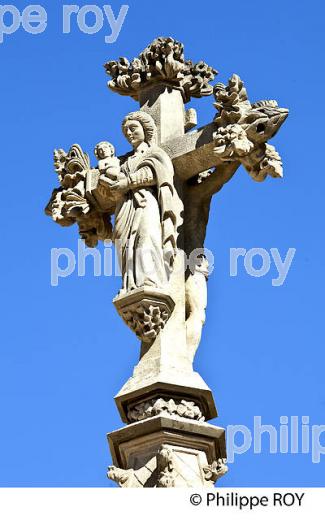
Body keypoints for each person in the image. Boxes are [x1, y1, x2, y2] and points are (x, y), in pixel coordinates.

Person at [106, 111, 182, 293]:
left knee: (147, 237)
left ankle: (149, 280)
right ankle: (131, 284)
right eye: (126, 132)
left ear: (146, 129)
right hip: (125, 208)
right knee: (125, 245)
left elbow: (156, 172)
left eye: (133, 128)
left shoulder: (154, 153)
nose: (129, 134)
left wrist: (127, 182)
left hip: (147, 203)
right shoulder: (124, 162)